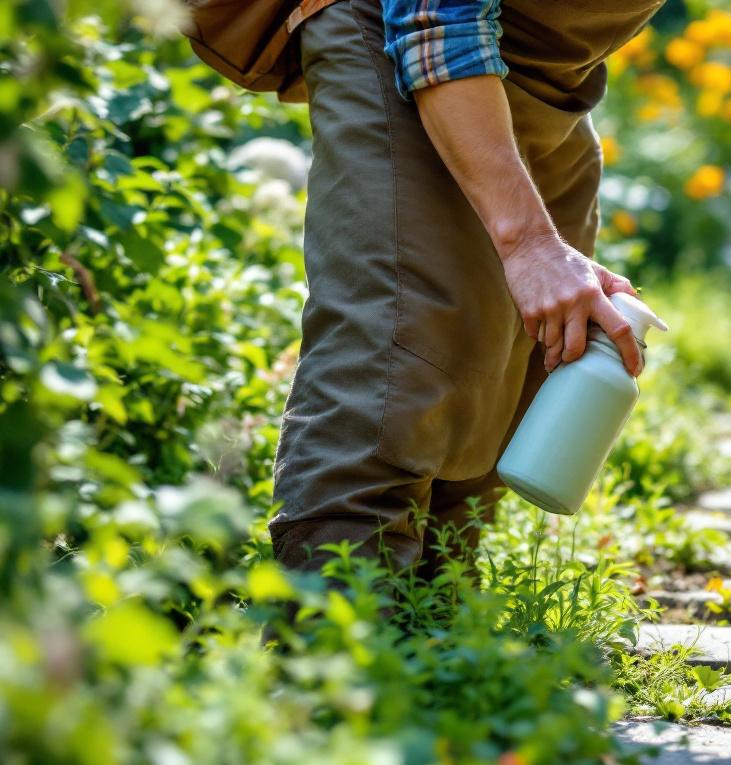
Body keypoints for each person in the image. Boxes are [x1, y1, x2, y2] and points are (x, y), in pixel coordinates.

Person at [268, 0, 665, 578]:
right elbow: (438, 19)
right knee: (394, 349)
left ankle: (437, 627)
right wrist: (529, 243)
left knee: (513, 358)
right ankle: (334, 642)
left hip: (545, 74)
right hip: (405, 31)